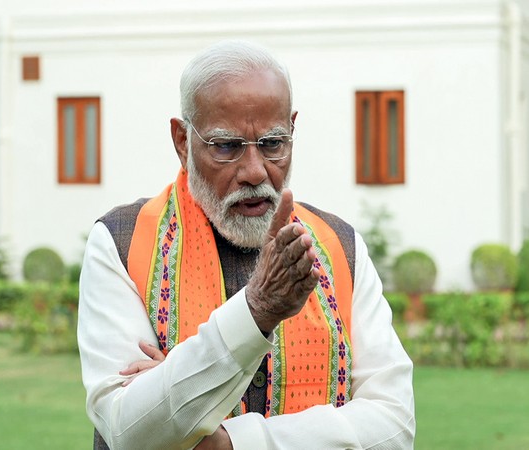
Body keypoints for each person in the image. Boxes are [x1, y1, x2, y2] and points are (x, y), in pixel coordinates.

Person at [78, 40, 415, 450]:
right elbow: (129, 431)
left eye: (273, 143)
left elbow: (394, 426)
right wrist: (256, 310)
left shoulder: (339, 246)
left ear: (292, 129)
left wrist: (229, 440)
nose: (255, 172)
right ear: (182, 141)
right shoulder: (123, 241)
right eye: (226, 146)